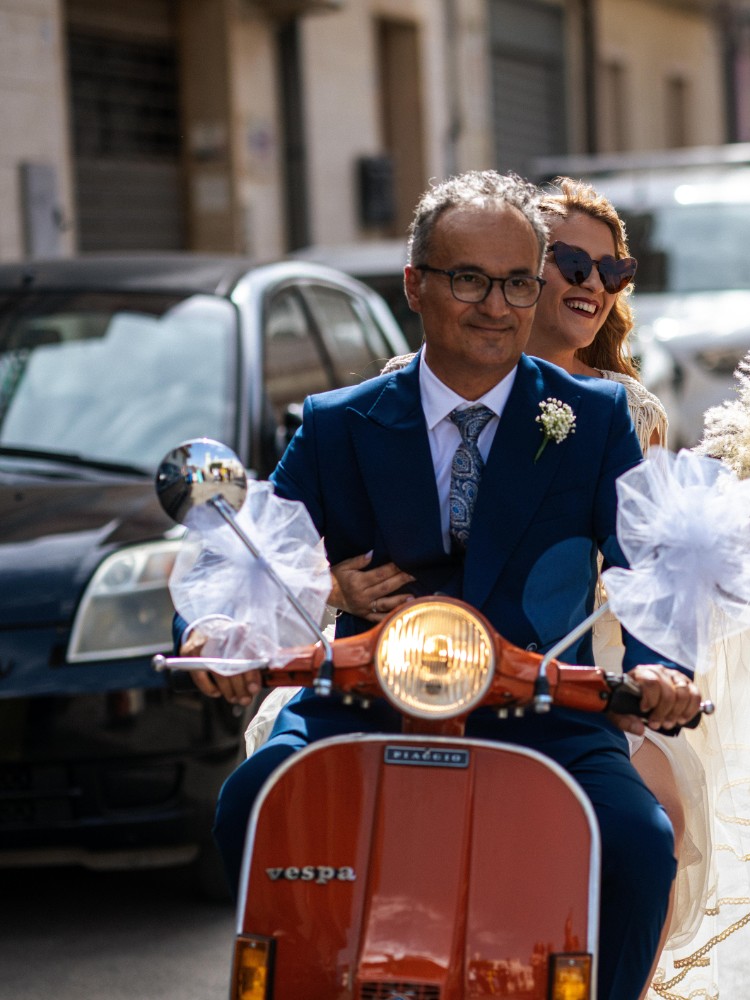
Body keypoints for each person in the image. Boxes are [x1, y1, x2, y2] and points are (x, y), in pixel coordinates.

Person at [178, 170, 697, 1000]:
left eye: (518, 282)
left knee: (638, 845)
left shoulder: (595, 418)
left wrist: (658, 667)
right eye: (469, 280)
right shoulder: (337, 422)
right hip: (361, 702)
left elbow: (649, 561)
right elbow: (261, 547)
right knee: (252, 801)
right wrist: (213, 631)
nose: (497, 306)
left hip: (544, 710)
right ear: (415, 284)